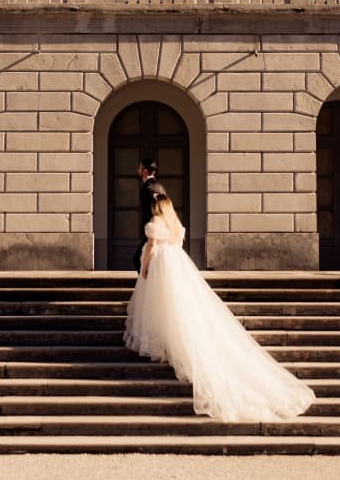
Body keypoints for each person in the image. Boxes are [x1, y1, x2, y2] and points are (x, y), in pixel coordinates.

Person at [124, 193, 316, 422]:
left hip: (161, 266)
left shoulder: (155, 223)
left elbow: (150, 247)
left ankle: (158, 344)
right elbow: (176, 243)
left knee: (158, 306)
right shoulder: (174, 223)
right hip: (176, 265)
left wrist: (144, 269)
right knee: (175, 307)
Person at [133, 159, 166, 272]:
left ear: (145, 171)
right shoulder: (160, 186)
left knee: (137, 259)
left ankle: (144, 285)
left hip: (152, 230)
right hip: (162, 229)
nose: (138, 170)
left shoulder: (147, 187)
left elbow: (153, 209)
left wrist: (151, 228)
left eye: (140, 168)